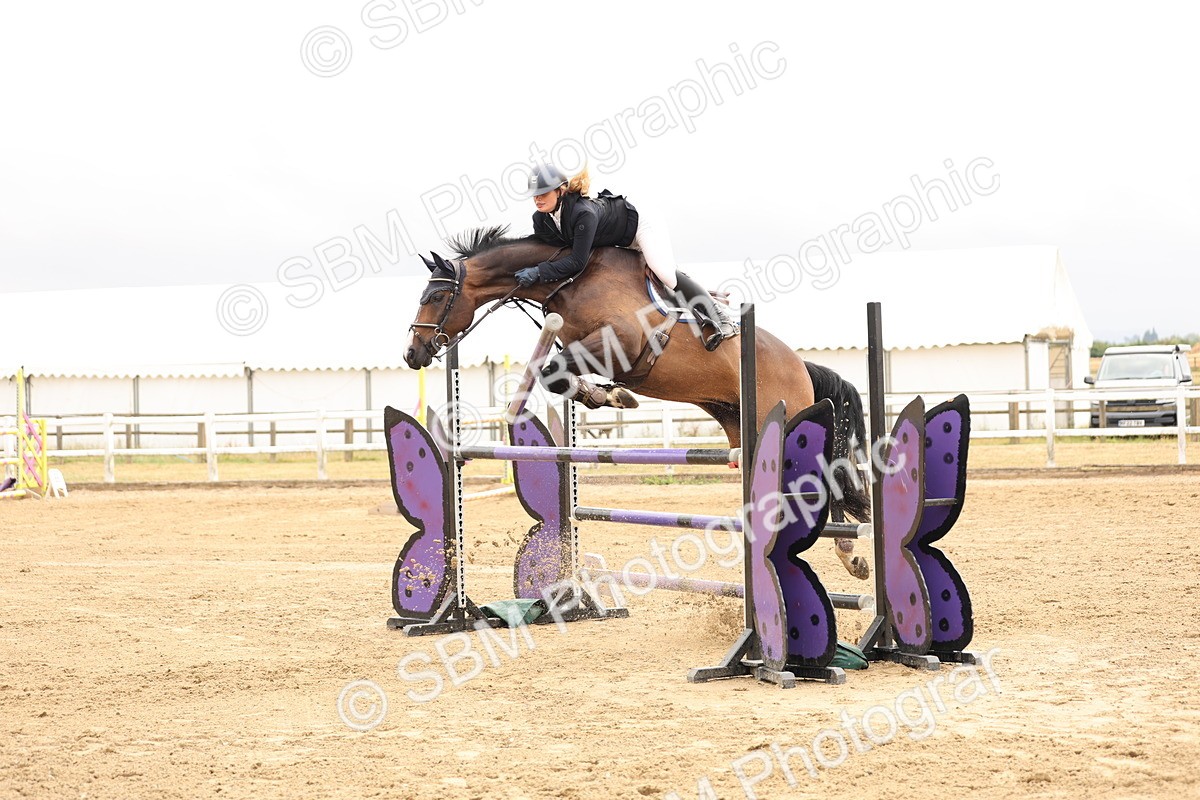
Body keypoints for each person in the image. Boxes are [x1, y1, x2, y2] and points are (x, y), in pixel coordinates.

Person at [514, 162, 737, 351]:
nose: (537, 199)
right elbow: (551, 251)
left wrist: (539, 272)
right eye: (534, 195)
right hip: (617, 239)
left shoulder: (583, 213)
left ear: (561, 191)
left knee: (664, 274)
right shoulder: (541, 219)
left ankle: (722, 317)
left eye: (543, 193)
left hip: (640, 225)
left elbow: (576, 262)